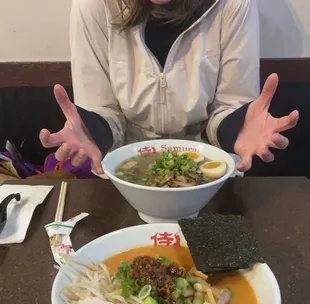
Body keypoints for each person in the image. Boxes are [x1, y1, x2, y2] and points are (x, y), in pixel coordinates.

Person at [40, 0, 299, 175]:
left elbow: (229, 105)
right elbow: (104, 109)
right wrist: (91, 129)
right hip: (127, 171)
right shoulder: (94, 5)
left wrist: (238, 128)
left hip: (210, 168)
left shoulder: (233, 5)